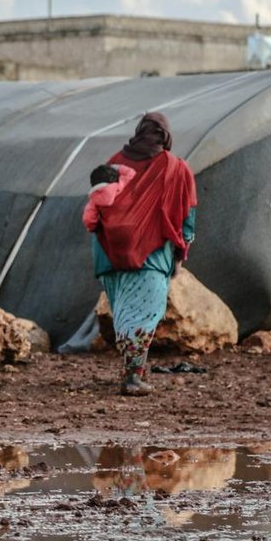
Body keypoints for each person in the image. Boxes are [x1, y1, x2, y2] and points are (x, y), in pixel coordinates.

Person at [88, 112, 197, 395]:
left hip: (110, 254)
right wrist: (180, 253)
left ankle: (132, 372)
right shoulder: (176, 168)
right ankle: (133, 378)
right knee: (144, 315)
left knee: (125, 312)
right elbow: (187, 215)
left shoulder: (114, 161)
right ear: (166, 136)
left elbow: (98, 208)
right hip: (151, 255)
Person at [81, 162, 137, 232]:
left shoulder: (94, 199)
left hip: (112, 231)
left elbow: (88, 218)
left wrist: (93, 228)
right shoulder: (121, 185)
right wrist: (116, 167)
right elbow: (131, 173)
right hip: (133, 224)